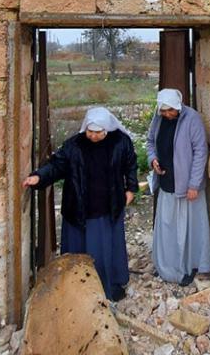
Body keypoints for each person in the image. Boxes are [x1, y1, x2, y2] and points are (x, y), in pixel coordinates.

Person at [22, 106, 138, 302]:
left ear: (106, 130)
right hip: (79, 207)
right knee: (79, 253)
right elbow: (57, 166)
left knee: (103, 252)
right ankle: (78, 290)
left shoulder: (120, 142)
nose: (93, 136)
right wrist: (38, 177)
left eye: (98, 133)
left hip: (106, 208)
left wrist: (131, 188)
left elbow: (130, 165)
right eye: (90, 132)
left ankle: (106, 286)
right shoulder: (74, 146)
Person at [147, 88, 210, 286]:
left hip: (187, 187)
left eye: (170, 111)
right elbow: (150, 141)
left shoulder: (192, 119)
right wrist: (153, 160)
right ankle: (168, 266)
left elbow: (201, 151)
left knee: (189, 228)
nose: (167, 114)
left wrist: (194, 184)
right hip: (167, 183)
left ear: (178, 106)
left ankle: (192, 266)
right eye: (163, 110)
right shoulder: (158, 119)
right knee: (168, 226)